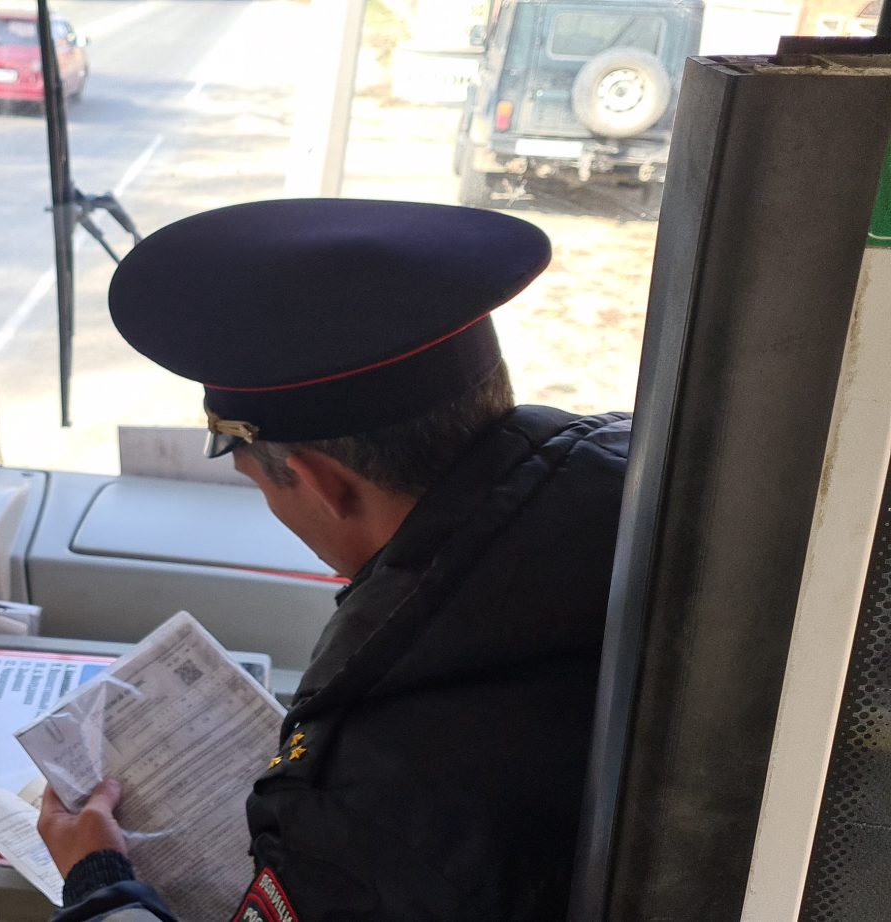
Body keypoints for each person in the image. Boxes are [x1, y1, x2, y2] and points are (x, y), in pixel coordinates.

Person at [37, 199, 632, 921]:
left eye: (257, 481)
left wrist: (99, 881)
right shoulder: (632, 482)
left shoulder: (365, 803)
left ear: (323, 483)